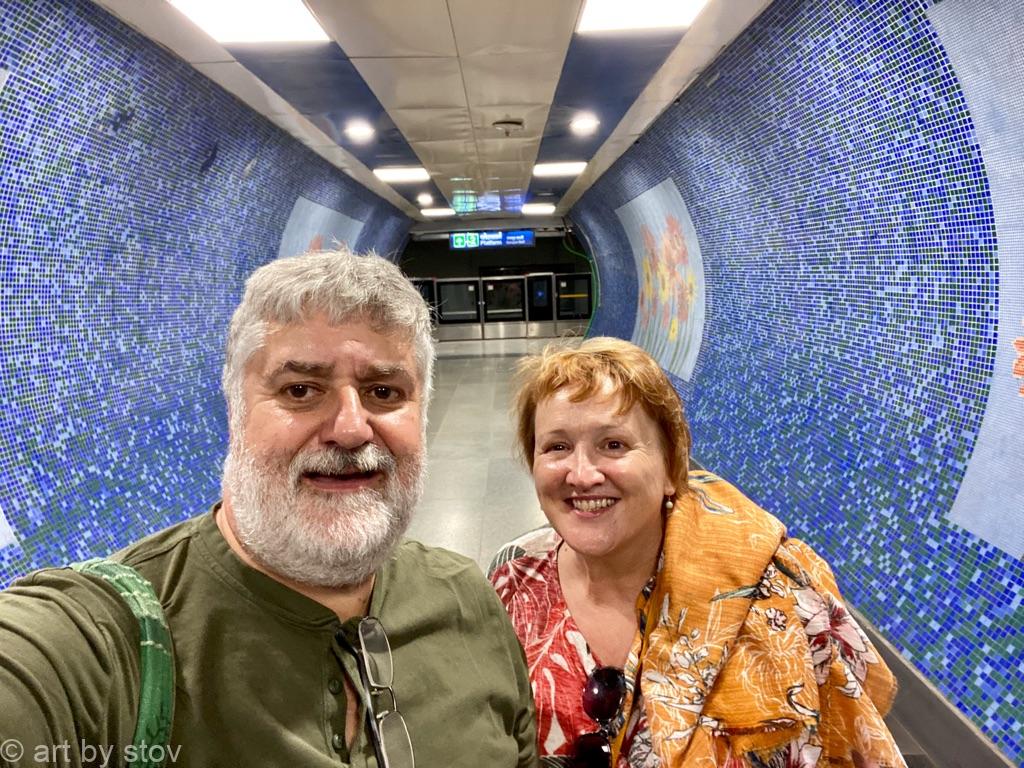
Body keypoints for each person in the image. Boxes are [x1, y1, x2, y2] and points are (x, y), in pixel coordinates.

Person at [0, 249, 537, 768]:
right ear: (234, 411)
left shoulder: (468, 597)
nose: (351, 427)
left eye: (383, 392)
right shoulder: (109, 640)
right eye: (300, 389)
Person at [489, 338, 905, 768]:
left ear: (672, 466)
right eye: (557, 447)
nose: (582, 474)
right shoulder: (513, 581)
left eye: (613, 444)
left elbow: (852, 746)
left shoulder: (775, 591)